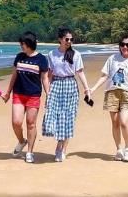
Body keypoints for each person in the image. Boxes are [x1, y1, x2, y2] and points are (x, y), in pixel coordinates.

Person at [89, 34, 128, 163]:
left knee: (124, 122)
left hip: (127, 93)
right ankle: (118, 149)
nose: (125, 47)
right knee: (115, 123)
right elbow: (105, 76)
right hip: (112, 93)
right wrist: (93, 89)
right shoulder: (112, 59)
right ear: (119, 46)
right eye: (122, 45)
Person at [42, 27, 91, 162]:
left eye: (71, 39)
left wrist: (87, 89)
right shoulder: (52, 54)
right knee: (55, 116)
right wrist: (47, 92)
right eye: (66, 39)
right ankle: (59, 144)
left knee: (68, 117)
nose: (69, 41)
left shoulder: (76, 55)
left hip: (70, 85)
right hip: (56, 85)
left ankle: (62, 149)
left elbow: (80, 72)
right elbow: (49, 74)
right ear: (60, 39)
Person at [2, 31, 50, 163]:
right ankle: (21, 141)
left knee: (31, 124)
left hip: (33, 95)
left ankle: (30, 151)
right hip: (18, 93)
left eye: (22, 44)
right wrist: (8, 92)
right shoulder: (19, 57)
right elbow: (14, 76)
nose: (21, 46)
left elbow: (45, 79)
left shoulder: (41, 59)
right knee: (16, 122)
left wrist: (49, 94)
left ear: (28, 43)